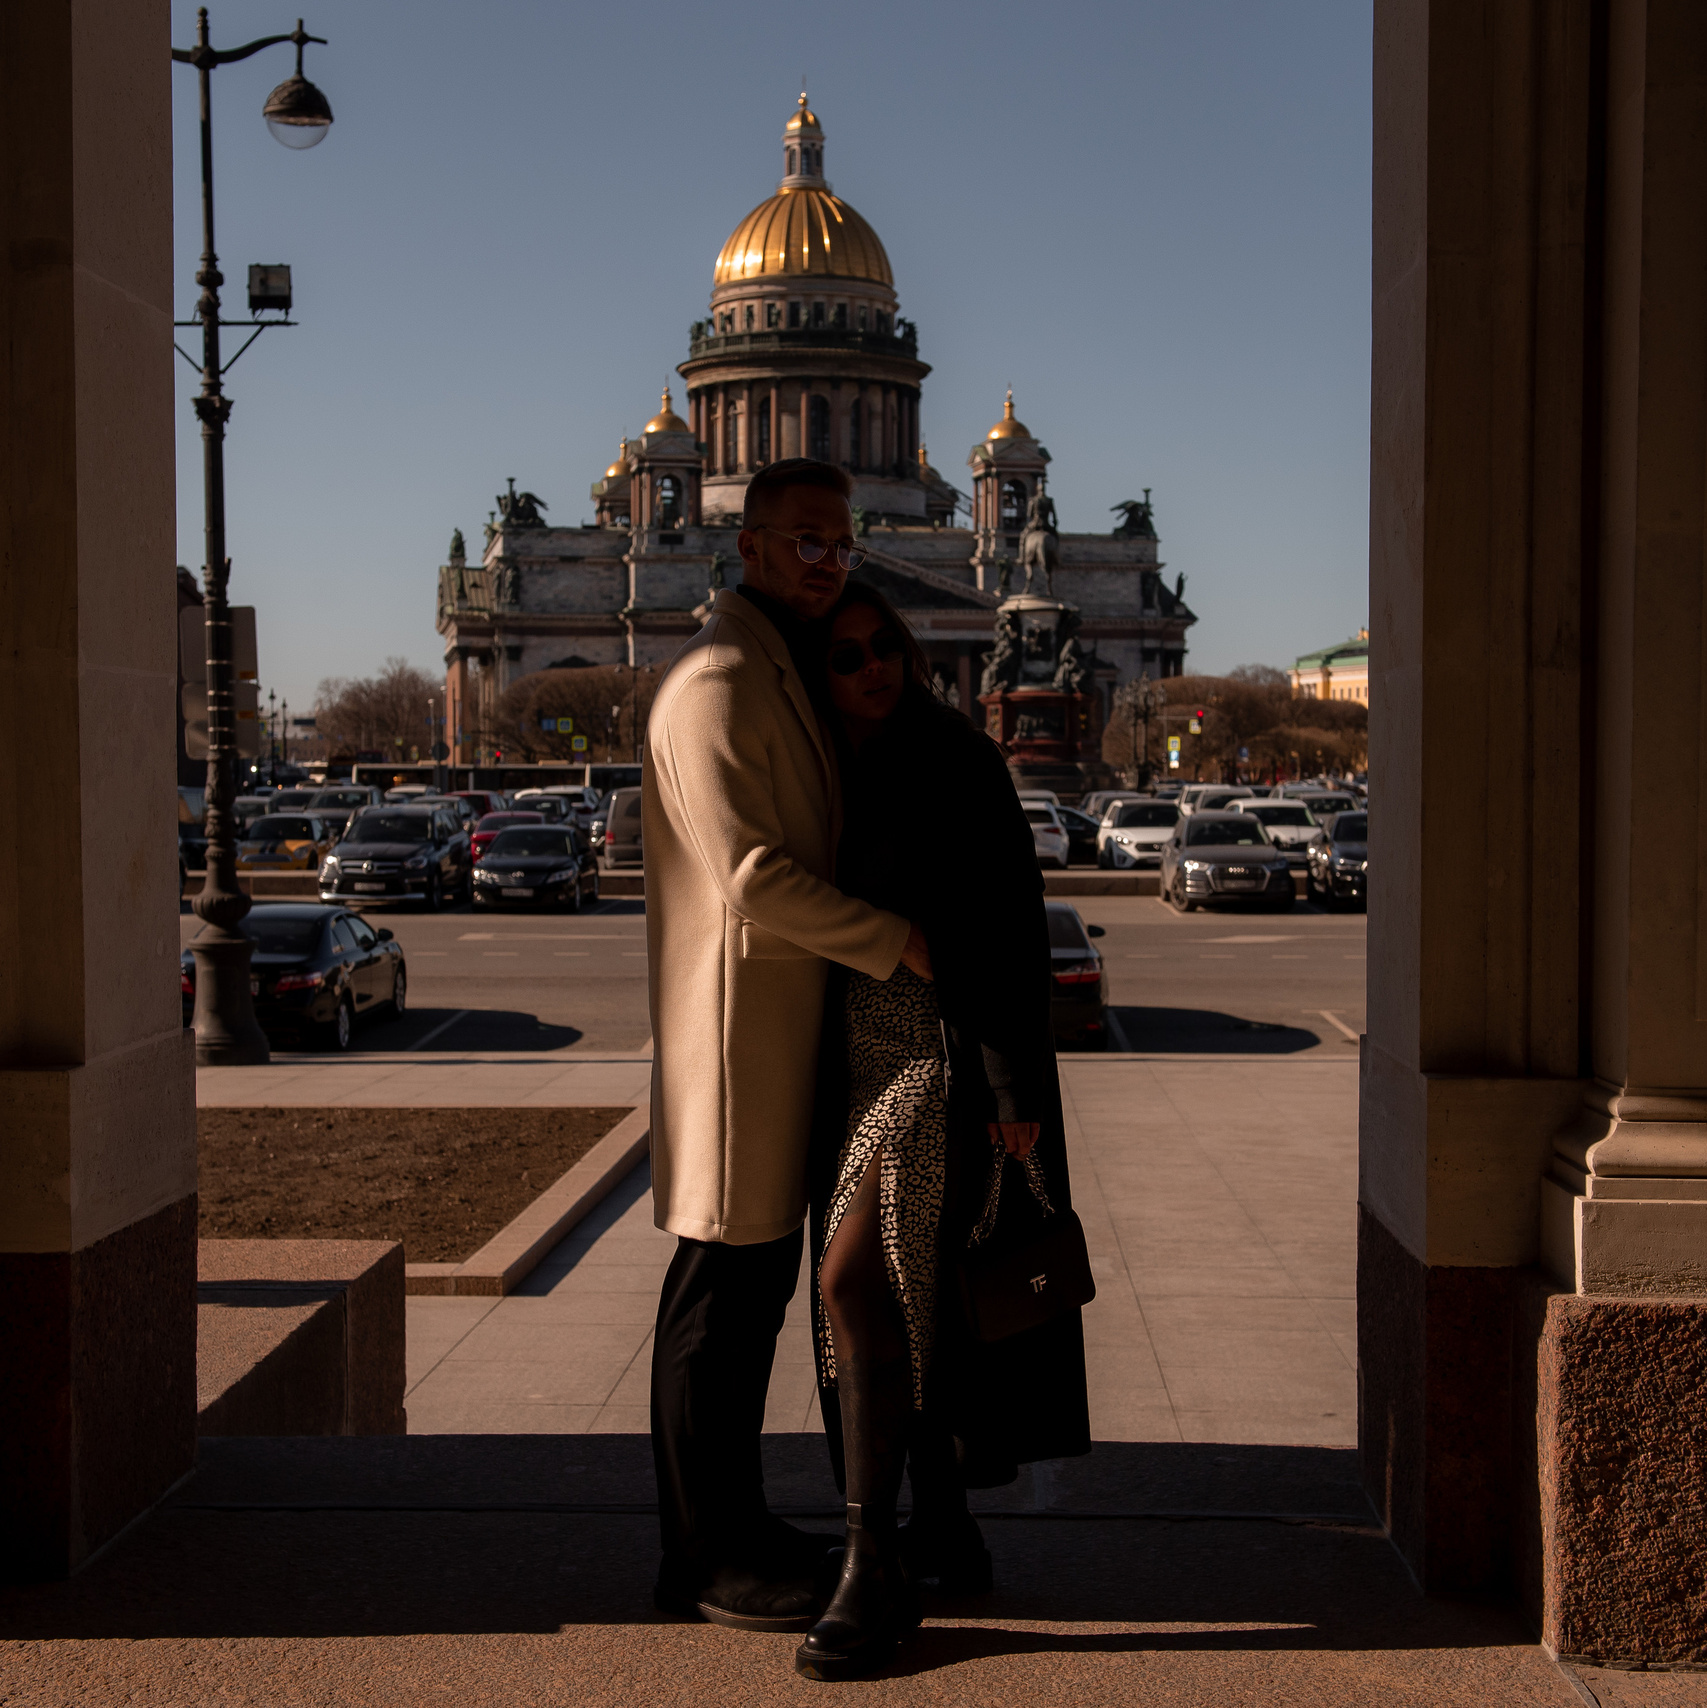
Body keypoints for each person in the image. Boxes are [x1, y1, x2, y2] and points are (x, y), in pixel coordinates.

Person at [643, 459, 933, 1632]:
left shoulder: (775, 664)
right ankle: (705, 1557)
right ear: (748, 543)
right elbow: (753, 877)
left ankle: (734, 1529)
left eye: (840, 539)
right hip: (737, 1036)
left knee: (752, 1297)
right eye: (803, 540)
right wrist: (900, 941)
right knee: (718, 1306)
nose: (827, 561)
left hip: (780, 1029)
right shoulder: (718, 676)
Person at [793, 583, 1091, 1681]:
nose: (873, 666)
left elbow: (1009, 924)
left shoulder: (955, 756)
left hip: (939, 1052)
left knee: (852, 1281)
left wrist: (1013, 1094)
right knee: (914, 1299)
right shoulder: (827, 762)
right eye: (846, 655)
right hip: (853, 1057)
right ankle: (947, 1522)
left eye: (887, 647)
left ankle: (874, 1563)